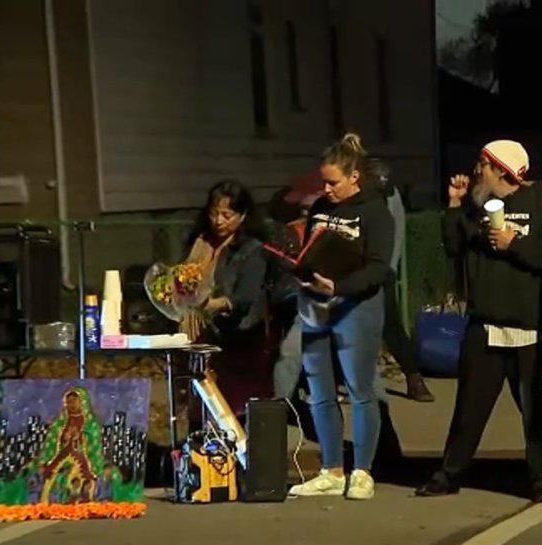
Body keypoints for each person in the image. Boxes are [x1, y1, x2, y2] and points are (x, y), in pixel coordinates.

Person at [414, 140, 542, 503]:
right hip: (484, 324)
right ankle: (449, 475)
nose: (477, 170)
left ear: (502, 170)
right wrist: (453, 204)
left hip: (529, 327)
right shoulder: (474, 207)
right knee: (469, 409)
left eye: (483, 164)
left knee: (534, 413)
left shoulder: (540, 204)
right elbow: (453, 246)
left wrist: (514, 244)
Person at [287, 132, 395, 500]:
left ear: (355, 177)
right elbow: (310, 251)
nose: (327, 189)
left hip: (356, 307)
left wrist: (341, 286)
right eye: (324, 182)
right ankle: (331, 469)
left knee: (360, 390)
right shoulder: (321, 208)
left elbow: (379, 268)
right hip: (316, 305)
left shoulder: (375, 211)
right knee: (319, 391)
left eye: (333, 182)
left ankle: (362, 471)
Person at [182, 180, 273, 417]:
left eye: (227, 214)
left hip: (237, 338)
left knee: (231, 409)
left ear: (242, 216)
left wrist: (210, 305)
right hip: (197, 336)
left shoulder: (252, 250)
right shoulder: (202, 242)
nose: (219, 221)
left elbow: (243, 298)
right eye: (214, 213)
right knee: (198, 403)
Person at [365, 157, 436, 403]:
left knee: (391, 325)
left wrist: (389, 268)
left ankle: (414, 378)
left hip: (381, 269)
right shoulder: (356, 194)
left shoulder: (391, 196)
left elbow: (397, 232)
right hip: (354, 270)